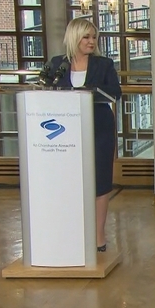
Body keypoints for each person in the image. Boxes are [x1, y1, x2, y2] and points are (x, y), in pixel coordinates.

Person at [48, 17, 122, 252]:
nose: (92, 41)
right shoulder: (57, 64)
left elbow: (115, 93)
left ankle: (98, 236)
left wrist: (90, 92)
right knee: (70, 181)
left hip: (98, 128)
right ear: (74, 38)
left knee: (99, 181)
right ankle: (70, 232)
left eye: (94, 37)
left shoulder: (104, 64)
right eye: (86, 37)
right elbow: (45, 89)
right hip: (65, 131)